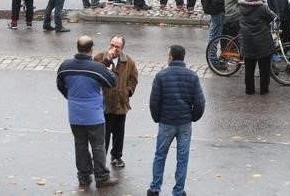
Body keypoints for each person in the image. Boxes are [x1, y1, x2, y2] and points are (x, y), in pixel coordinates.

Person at [56, 35, 118, 189]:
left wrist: (71, 97)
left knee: (80, 145)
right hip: (94, 115)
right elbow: (111, 82)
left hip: (75, 114)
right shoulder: (97, 68)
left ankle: (84, 177)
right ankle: (101, 177)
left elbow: (60, 84)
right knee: (98, 146)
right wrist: (109, 69)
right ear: (91, 49)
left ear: (77, 48)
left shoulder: (65, 66)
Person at [148, 45, 205, 196]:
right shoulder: (192, 76)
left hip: (166, 122)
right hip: (184, 123)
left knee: (160, 155)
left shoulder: (161, 76)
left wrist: (157, 118)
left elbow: (154, 101)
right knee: (182, 158)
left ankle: (155, 188)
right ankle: (178, 191)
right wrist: (192, 117)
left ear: (171, 57)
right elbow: (200, 103)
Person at [94, 35, 139, 169]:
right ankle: (100, 161)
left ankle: (117, 156)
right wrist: (107, 60)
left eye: (117, 47)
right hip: (105, 103)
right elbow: (95, 73)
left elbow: (133, 78)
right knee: (104, 135)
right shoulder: (100, 57)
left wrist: (128, 91)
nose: (114, 48)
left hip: (120, 102)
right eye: (112, 45)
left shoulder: (128, 61)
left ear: (122, 48)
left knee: (119, 133)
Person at [239, 0, 277, 95]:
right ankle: (264, 90)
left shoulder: (242, 7)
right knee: (264, 68)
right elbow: (272, 17)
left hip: (247, 42)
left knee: (249, 68)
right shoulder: (262, 8)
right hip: (262, 42)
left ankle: (249, 90)